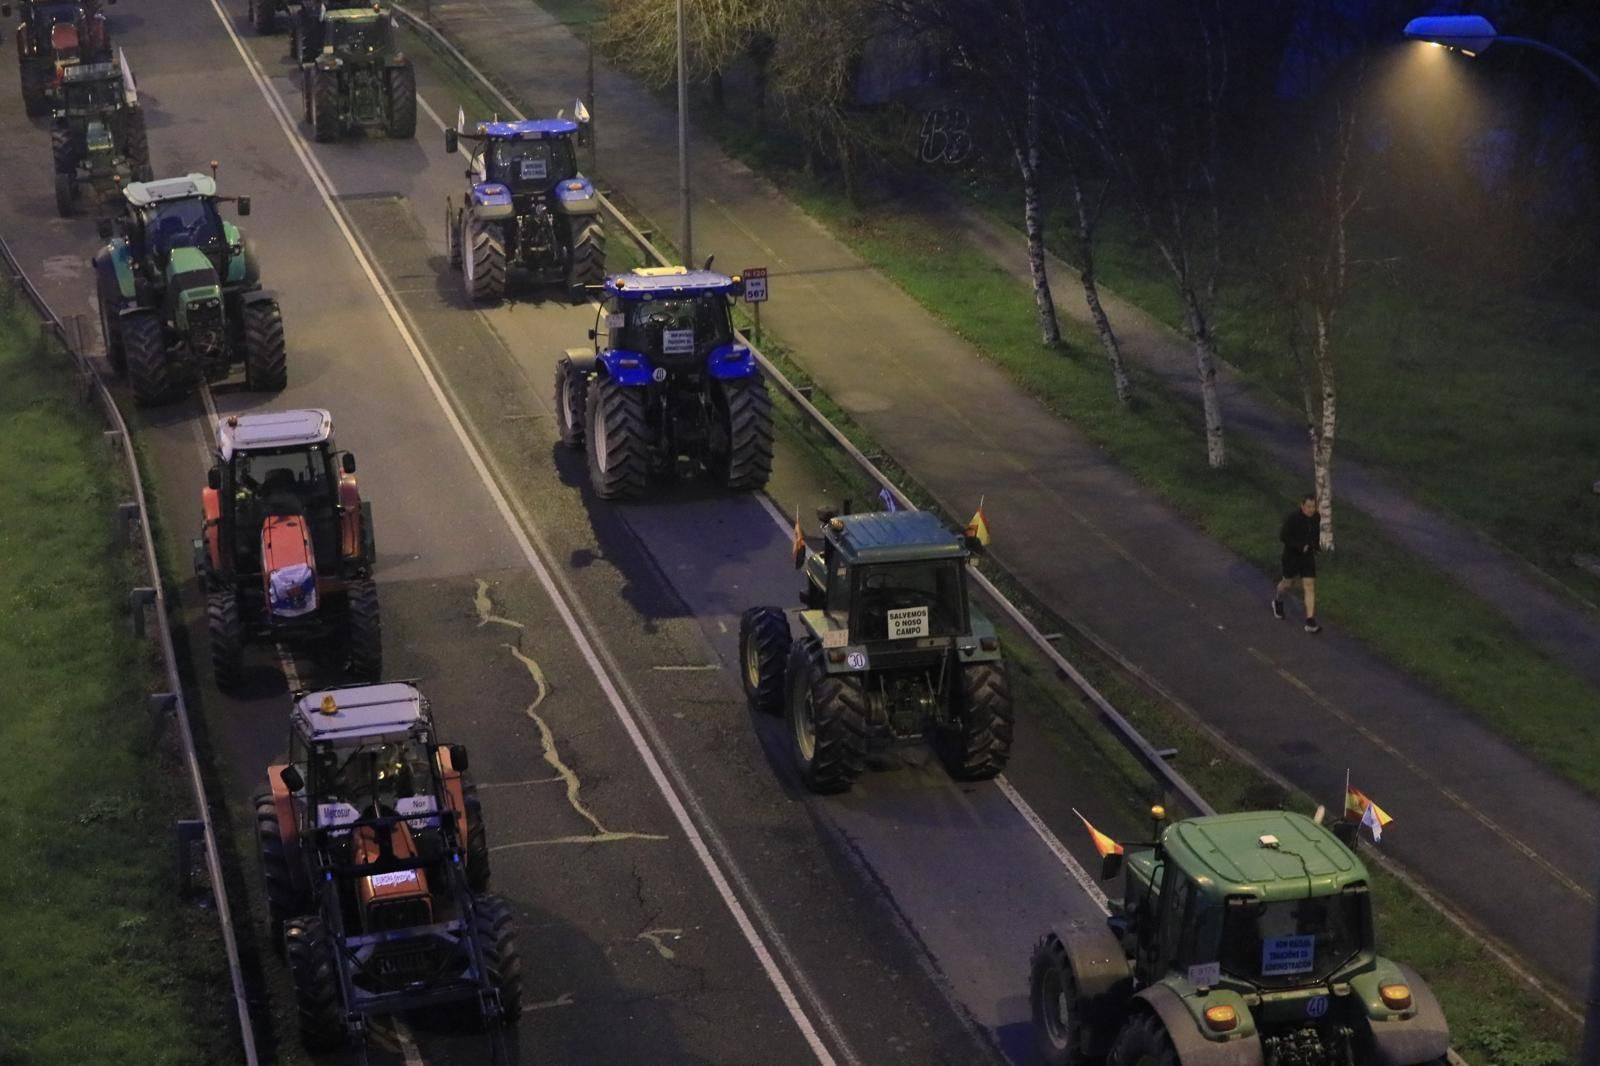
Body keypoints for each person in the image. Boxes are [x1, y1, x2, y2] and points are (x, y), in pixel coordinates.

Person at [1273, 494, 1322, 634]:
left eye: (1313, 506)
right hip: (1292, 556)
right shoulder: (1293, 518)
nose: (1311, 509)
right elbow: (1283, 536)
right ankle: (1278, 601)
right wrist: (1299, 546)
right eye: (1308, 506)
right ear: (1302, 506)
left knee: (1309, 585)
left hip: (1307, 557)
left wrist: (1316, 546)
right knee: (1287, 584)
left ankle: (1310, 621)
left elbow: (1315, 533)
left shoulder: (1316, 517)